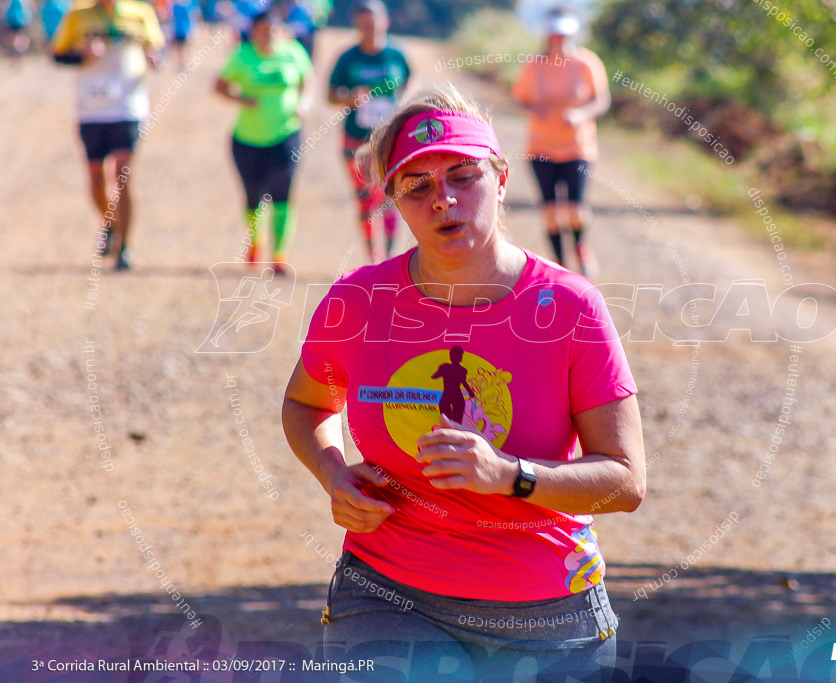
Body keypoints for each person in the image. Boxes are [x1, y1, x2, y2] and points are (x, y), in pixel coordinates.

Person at [282, 84, 646, 682]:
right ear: (394, 202)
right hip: (386, 592)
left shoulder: (570, 306)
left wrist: (509, 475)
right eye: (416, 186)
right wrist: (333, 472)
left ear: (501, 180)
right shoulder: (358, 301)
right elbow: (305, 404)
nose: (443, 200)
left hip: (548, 610)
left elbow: (625, 482)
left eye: (463, 175)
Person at [51, 0, 165, 271]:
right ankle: (111, 223)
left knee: (123, 173)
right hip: (90, 108)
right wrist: (83, 55)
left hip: (128, 106)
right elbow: (57, 54)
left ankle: (124, 246)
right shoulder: (78, 16)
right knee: (95, 177)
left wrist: (154, 59)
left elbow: (159, 52)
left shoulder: (141, 14)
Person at [511, 6, 610, 278]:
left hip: (578, 147)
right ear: (547, 35)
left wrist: (581, 114)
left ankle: (581, 246)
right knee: (551, 210)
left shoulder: (587, 62)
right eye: (555, 35)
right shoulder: (534, 64)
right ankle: (561, 266)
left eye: (564, 35)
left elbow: (601, 99)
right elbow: (519, 96)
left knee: (576, 208)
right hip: (540, 148)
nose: (559, 40)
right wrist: (535, 109)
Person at [214, 10, 311, 272]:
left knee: (283, 195)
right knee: (253, 197)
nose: (268, 35)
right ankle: (256, 241)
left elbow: (306, 81)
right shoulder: (242, 56)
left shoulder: (293, 53)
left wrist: (304, 102)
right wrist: (241, 99)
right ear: (253, 32)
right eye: (262, 30)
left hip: (285, 136)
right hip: (247, 139)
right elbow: (219, 86)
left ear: (279, 31)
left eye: (272, 30)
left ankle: (279, 255)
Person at [327, 0, 411, 263]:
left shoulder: (397, 54)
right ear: (357, 26)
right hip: (356, 140)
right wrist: (349, 98)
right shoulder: (348, 57)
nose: (369, 29)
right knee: (364, 197)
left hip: (390, 140)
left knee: (390, 195)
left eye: (373, 23)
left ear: (384, 22)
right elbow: (330, 95)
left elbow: (411, 78)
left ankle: (388, 257)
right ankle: (372, 257)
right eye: (363, 25)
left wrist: (403, 100)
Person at [169, 0, 198, 70]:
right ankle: (183, 62)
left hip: (184, 29)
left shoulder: (183, 5)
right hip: (180, 29)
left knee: (184, 47)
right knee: (181, 47)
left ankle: (186, 62)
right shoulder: (178, 5)